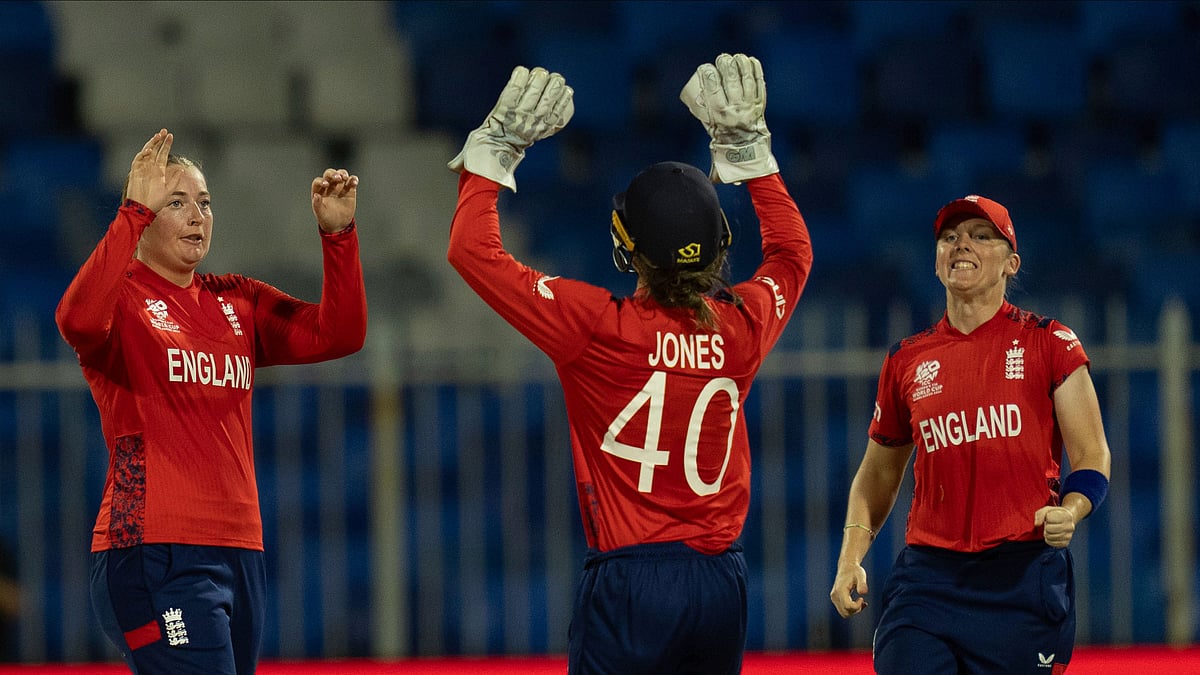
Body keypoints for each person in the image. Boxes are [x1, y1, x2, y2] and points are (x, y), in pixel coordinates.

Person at [446, 54, 812, 674]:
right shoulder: (743, 325)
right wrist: (750, 151)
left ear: (627, 249)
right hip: (720, 579)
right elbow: (791, 254)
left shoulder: (597, 328)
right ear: (721, 239)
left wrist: (496, 149)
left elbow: (471, 250)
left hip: (630, 583)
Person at [55, 128, 367, 675]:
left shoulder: (236, 300)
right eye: (175, 202)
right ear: (146, 214)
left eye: (204, 203)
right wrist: (129, 212)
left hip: (239, 550)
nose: (197, 216)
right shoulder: (121, 299)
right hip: (155, 550)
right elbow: (75, 321)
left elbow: (338, 334)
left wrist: (338, 238)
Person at [829, 195, 1113, 673]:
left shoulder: (1049, 342)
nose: (962, 243)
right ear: (937, 260)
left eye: (982, 236)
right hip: (929, 579)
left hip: (1021, 578)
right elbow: (876, 478)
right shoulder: (906, 360)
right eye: (949, 237)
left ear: (1011, 263)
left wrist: (1073, 508)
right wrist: (849, 559)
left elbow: (1092, 455)